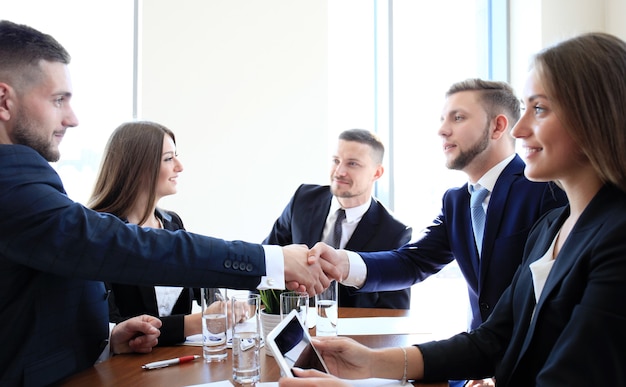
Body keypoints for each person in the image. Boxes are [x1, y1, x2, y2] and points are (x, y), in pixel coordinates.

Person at [0, 20, 334, 386]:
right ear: (4, 101)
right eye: (58, 99)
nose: (72, 118)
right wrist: (271, 260)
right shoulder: (11, 180)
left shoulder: (25, 178)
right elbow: (122, 247)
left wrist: (108, 339)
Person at [282, 31, 626, 386]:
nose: (522, 129)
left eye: (538, 109)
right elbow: (493, 334)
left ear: (596, 114)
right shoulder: (550, 225)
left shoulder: (588, 221)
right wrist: (373, 362)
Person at [88, 121, 219, 346]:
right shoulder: (100, 232)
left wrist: (222, 306)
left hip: (177, 362)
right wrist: (200, 322)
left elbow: (201, 281)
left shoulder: (171, 222)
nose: (180, 166)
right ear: (138, 167)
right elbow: (113, 326)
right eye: (169, 158)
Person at [263, 129, 412, 309]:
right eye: (336, 161)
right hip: (291, 324)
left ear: (377, 173)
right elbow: (268, 258)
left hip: (353, 332)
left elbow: (395, 310)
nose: (339, 171)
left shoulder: (395, 232)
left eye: (352, 164)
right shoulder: (303, 199)